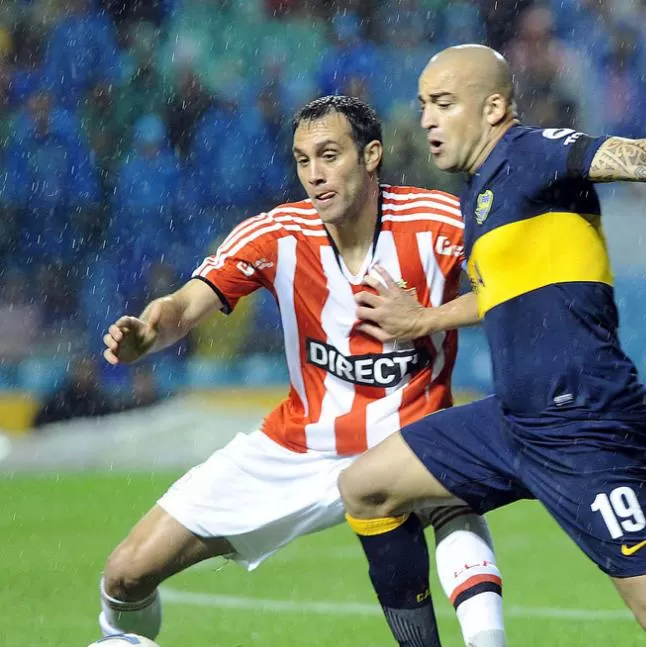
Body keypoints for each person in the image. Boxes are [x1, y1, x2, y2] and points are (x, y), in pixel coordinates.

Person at [338, 45, 646, 647]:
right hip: (517, 421)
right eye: (423, 105)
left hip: (586, 424)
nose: (425, 119)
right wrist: (426, 319)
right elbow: (503, 291)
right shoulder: (481, 193)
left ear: (493, 106)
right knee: (366, 487)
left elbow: (641, 158)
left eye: (443, 104)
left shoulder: (533, 151)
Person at [97, 96, 506, 647]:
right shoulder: (275, 235)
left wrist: (426, 318)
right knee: (125, 574)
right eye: (302, 160)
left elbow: (514, 285)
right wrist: (150, 332)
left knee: (449, 497)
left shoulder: (437, 222)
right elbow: (185, 306)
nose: (315, 175)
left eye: (330, 156)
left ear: (371, 156)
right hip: (297, 447)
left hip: (408, 433)